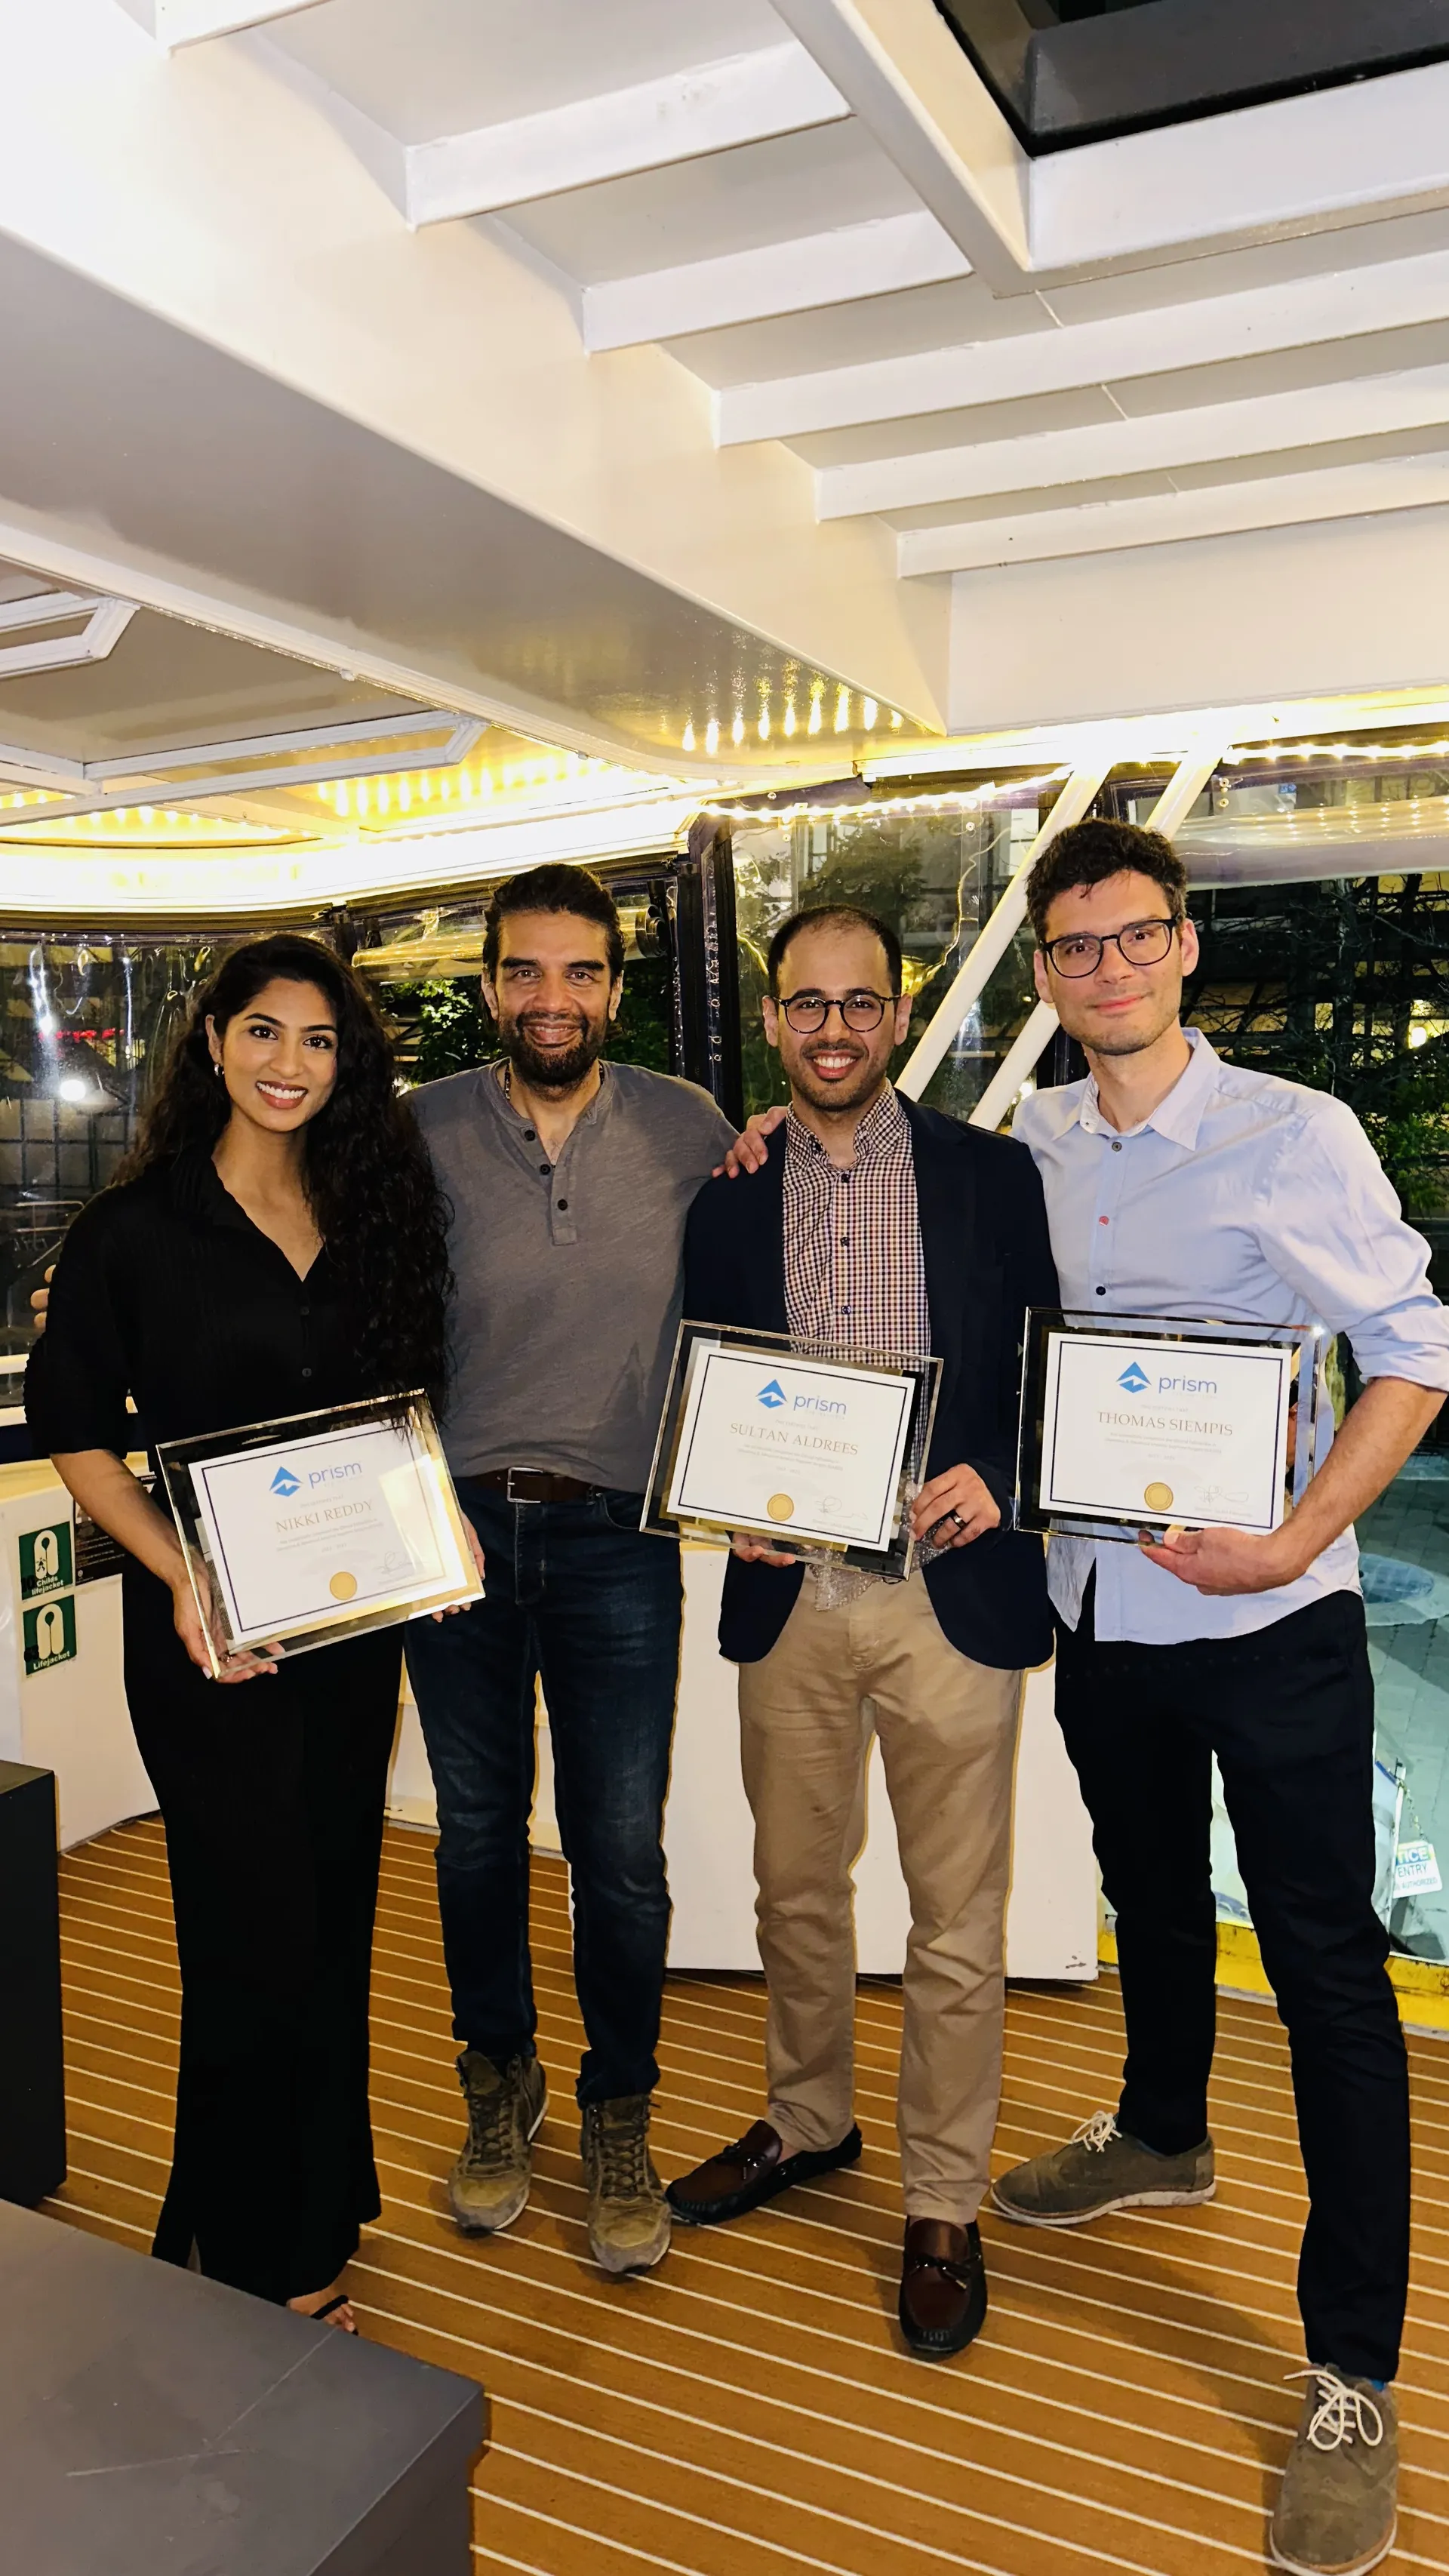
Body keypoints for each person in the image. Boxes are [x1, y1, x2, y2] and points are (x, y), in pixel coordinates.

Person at [997, 819, 1449, 2576]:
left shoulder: (1293, 1133)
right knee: (1151, 1891)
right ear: (1043, 970)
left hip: (1274, 1621)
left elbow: (1417, 1347)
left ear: (1185, 947)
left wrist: (1300, 1535)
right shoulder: (1027, 1137)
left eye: (1133, 937)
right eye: (1072, 945)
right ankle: (1167, 2126)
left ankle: (1351, 2368)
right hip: (1102, 1606)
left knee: (1330, 1964)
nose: (1103, 967)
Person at [26, 934, 457, 2332]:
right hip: (213, 1645)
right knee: (250, 1933)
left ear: (349, 1064)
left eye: (320, 1041)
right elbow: (77, 1431)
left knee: (331, 1921)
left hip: (346, 1637)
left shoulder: (374, 1209)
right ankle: (281, 2264)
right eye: (264, 1032)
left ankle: (259, 2206)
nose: (290, 1064)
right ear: (211, 1042)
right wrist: (175, 1572)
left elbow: (405, 1421)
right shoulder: (135, 1233)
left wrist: (420, 1547)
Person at [666, 903, 1057, 2356]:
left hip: (946, 1597)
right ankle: (807, 2120)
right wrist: (723, 1499)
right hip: (794, 1601)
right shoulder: (725, 1197)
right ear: (774, 1022)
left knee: (957, 1922)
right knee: (795, 1890)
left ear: (897, 1017)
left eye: (861, 1003)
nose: (834, 1027)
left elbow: (1045, 1365)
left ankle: (943, 2198)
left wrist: (1002, 1477)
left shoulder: (990, 1176)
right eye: (806, 1005)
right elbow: (699, 1379)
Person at [403, 862, 736, 2276]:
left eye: (581, 972)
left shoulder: (686, 1124)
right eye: (526, 972)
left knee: (622, 1854)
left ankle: (617, 2115)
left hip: (619, 1540)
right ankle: (501, 2086)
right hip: (453, 1533)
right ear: (489, 986)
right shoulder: (413, 1130)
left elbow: (769, 1280)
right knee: (474, 1839)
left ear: (615, 984)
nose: (554, 998)